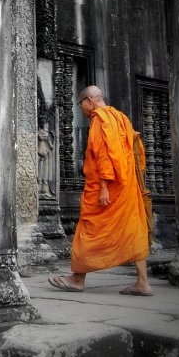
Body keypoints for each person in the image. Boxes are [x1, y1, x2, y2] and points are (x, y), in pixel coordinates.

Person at [48, 85, 152, 297]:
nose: (83, 110)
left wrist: (104, 186)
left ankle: (77, 279)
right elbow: (136, 148)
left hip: (107, 188)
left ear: (89, 101)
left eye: (81, 104)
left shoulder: (99, 120)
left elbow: (103, 154)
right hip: (126, 184)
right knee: (133, 229)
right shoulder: (120, 117)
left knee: (89, 229)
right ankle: (143, 282)